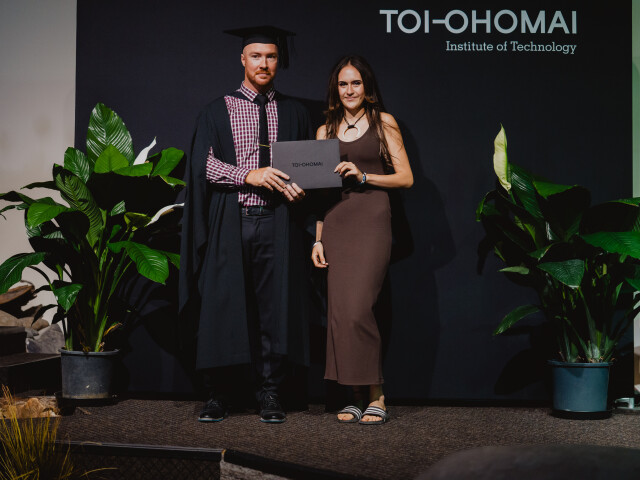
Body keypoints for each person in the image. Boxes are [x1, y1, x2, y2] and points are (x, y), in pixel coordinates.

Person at [179, 25, 312, 424]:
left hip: (278, 223)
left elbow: (308, 168)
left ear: (278, 61)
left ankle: (269, 391)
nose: (263, 64)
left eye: (271, 56)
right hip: (231, 221)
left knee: (274, 310)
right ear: (242, 59)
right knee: (224, 308)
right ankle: (219, 394)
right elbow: (203, 166)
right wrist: (248, 174)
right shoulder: (217, 110)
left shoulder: (294, 112)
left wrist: (303, 189)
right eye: (256, 56)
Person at [312, 55, 413, 425]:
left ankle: (376, 394)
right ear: (335, 89)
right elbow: (320, 192)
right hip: (336, 224)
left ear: (367, 87)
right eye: (343, 84)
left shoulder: (383, 122)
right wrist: (317, 240)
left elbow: (405, 178)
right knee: (340, 313)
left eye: (356, 83)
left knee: (358, 309)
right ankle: (353, 395)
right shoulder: (325, 130)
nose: (349, 90)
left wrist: (365, 176)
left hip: (371, 221)